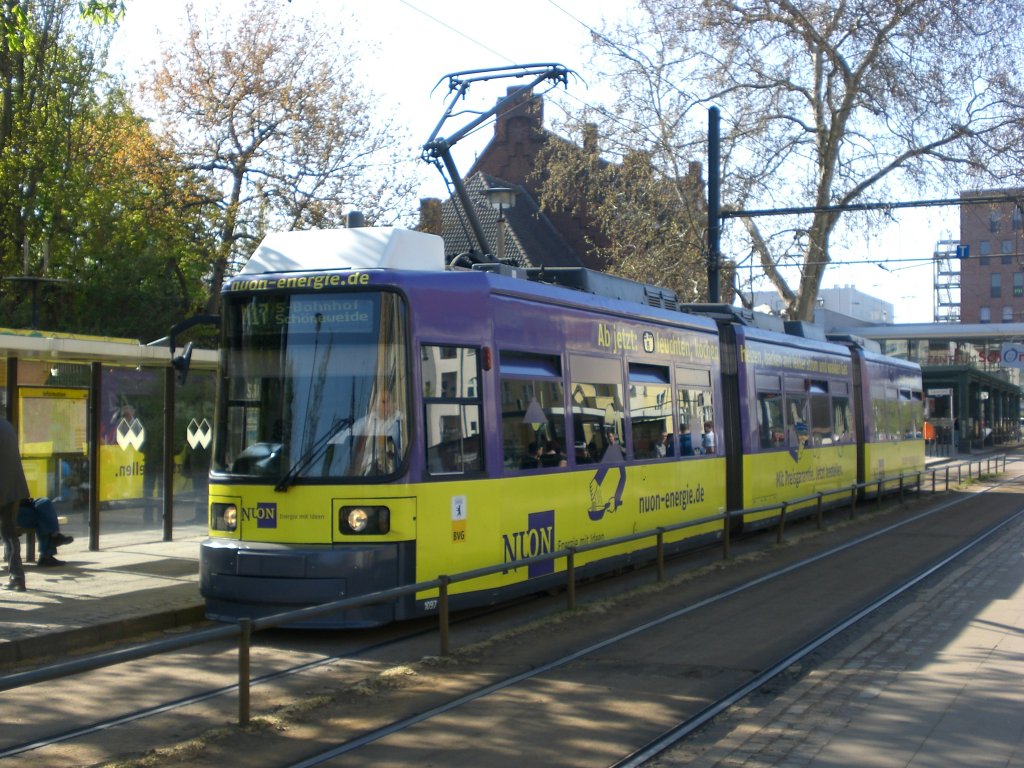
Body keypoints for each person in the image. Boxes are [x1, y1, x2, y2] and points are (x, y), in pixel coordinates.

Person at [1, 417, 29, 591]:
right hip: (13, 488)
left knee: (8, 533)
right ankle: (17, 577)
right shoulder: (6, 426)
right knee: (10, 533)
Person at [17, 497, 73, 566]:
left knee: (45, 502)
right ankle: (47, 553)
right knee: (43, 517)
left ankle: (55, 535)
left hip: (25, 503)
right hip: (12, 510)